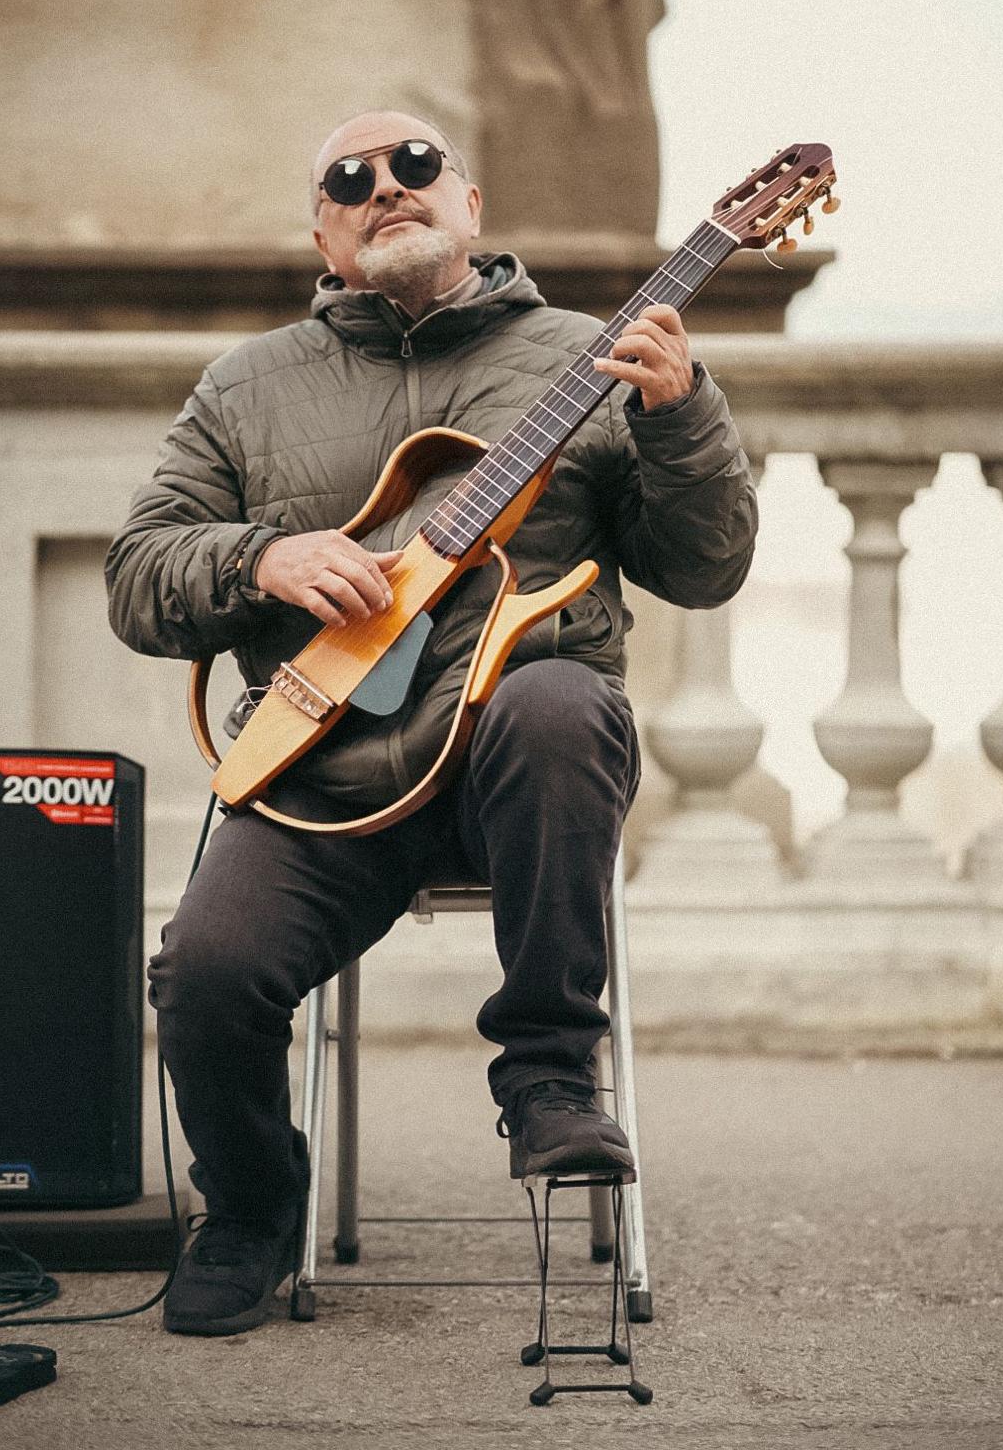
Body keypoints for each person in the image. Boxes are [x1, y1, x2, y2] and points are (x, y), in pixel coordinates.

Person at [105, 109, 758, 1336]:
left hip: (526, 779)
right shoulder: (246, 385)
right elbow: (137, 576)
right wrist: (261, 560)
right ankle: (251, 1207)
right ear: (321, 233)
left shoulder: (595, 355)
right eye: (348, 178)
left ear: (470, 205)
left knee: (563, 697)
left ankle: (552, 1069)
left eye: (416, 165)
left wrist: (681, 417)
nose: (383, 186)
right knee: (200, 975)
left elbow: (705, 568)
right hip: (323, 776)